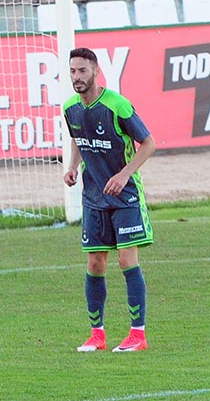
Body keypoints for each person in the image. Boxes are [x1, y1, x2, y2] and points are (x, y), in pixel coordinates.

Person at [63, 47, 157, 353]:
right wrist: (73, 166)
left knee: (126, 260)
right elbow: (79, 137)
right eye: (73, 71)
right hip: (93, 197)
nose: (77, 77)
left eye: (83, 71)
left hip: (125, 197)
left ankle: (137, 335)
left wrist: (125, 174)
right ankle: (97, 335)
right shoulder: (70, 108)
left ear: (96, 71)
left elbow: (148, 143)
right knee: (94, 262)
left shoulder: (118, 105)